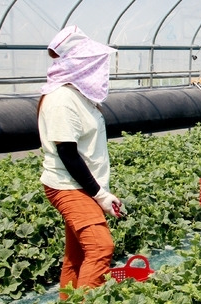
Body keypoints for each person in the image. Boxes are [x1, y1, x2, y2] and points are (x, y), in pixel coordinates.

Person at [37, 25, 123, 300]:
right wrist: (100, 194)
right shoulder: (62, 100)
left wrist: (101, 193)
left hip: (82, 186)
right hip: (69, 186)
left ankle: (67, 298)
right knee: (100, 248)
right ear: (78, 65)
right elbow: (68, 153)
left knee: (76, 255)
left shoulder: (80, 96)